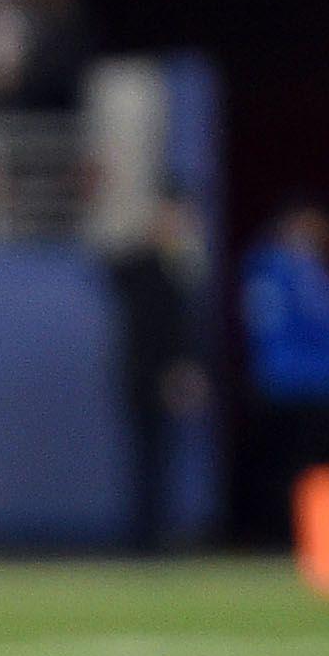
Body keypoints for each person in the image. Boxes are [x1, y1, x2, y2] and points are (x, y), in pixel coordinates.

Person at [240, 204, 329, 528]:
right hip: (294, 384)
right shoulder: (274, 268)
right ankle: (286, 534)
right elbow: (278, 327)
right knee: (292, 465)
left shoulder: (314, 270)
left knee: (321, 467)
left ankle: (322, 535)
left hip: (325, 384)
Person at [106, 198, 209, 554]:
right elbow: (112, 273)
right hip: (141, 377)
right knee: (144, 457)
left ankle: (160, 534)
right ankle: (143, 537)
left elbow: (187, 329)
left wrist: (187, 372)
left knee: (165, 457)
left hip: (170, 378)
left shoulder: (184, 269)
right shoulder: (141, 267)